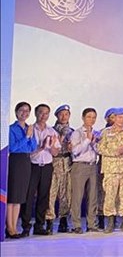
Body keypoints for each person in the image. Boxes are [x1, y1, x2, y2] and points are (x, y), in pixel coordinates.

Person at [19, 104, 60, 237]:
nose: (44, 115)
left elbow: (55, 153)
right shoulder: (30, 129)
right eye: (41, 112)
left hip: (47, 166)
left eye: (46, 113)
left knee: (44, 196)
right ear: (36, 114)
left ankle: (39, 225)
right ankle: (25, 226)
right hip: (32, 166)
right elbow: (27, 151)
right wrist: (41, 147)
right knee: (28, 196)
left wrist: (52, 146)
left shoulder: (52, 131)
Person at [97, 108, 123, 233]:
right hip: (111, 169)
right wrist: (115, 152)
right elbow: (100, 148)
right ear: (114, 118)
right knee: (110, 196)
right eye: (119, 117)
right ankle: (110, 223)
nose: (122, 120)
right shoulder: (105, 132)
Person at [7, 102, 37, 239]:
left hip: (26, 161)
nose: (24, 113)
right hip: (15, 161)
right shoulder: (11, 128)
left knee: (19, 197)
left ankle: (14, 227)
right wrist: (26, 137)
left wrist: (29, 136)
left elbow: (32, 148)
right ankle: (10, 227)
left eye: (27, 111)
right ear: (16, 111)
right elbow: (12, 147)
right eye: (21, 110)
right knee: (12, 196)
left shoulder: (29, 128)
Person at [70, 108, 101, 234]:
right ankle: (76, 224)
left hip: (93, 166)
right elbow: (75, 151)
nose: (91, 119)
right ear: (83, 118)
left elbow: (100, 150)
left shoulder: (97, 133)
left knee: (93, 196)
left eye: (94, 117)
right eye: (89, 117)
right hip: (79, 166)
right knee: (77, 196)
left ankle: (91, 224)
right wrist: (87, 140)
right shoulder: (77, 133)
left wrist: (94, 143)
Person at [45, 104, 74, 234]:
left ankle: (63, 221)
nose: (64, 117)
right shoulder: (51, 131)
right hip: (53, 164)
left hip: (67, 163)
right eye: (61, 114)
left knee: (66, 194)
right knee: (51, 193)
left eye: (66, 114)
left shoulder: (73, 131)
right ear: (57, 116)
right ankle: (49, 221)